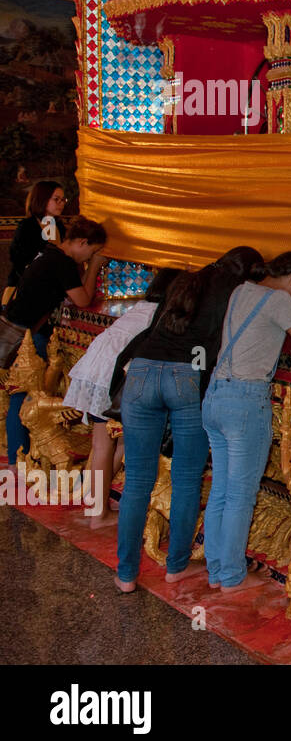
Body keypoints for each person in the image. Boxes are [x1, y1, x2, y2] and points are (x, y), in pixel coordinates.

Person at [115, 246, 264, 593]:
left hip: (142, 368)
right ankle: (176, 567)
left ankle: (125, 575)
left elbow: (155, 326)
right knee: (185, 479)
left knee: (137, 479)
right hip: (188, 374)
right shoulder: (236, 291)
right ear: (248, 273)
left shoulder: (188, 278)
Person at [202, 251, 291, 591]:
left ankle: (216, 570)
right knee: (240, 495)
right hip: (244, 403)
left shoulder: (241, 290)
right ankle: (232, 577)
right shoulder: (281, 300)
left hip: (215, 396)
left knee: (221, 490)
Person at [62, 267, 183, 528]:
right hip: (111, 374)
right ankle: (99, 514)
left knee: (107, 444)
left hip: (96, 367)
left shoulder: (143, 305)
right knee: (109, 444)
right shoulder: (163, 315)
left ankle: (94, 505)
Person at [4, 216, 107, 464]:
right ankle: (17, 459)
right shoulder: (62, 263)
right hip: (27, 336)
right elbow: (83, 299)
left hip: (20, 328)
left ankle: (18, 457)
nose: (88, 257)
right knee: (25, 396)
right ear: (82, 242)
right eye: (90, 252)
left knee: (24, 397)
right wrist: (94, 266)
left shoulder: (50, 253)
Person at [5, 180, 67, 299]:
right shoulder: (27, 226)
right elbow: (18, 260)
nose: (61, 203)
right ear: (42, 199)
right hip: (25, 289)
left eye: (63, 199)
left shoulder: (59, 227)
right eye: (56, 199)